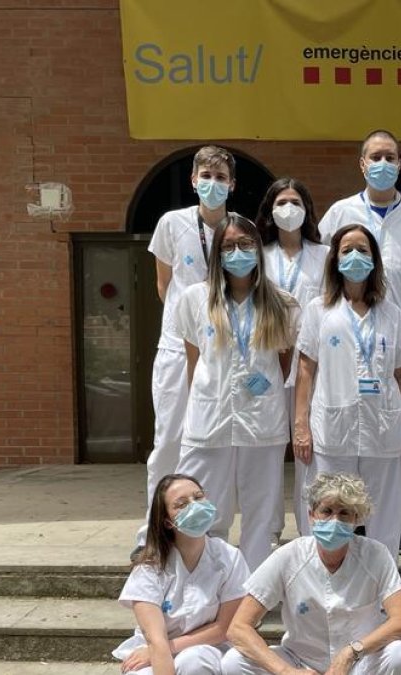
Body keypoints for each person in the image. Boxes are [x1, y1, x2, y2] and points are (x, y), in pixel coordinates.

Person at [319, 129, 401, 556]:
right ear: (362, 164)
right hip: (345, 333)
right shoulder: (339, 212)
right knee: (347, 445)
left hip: (399, 336)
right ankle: (343, 525)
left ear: (400, 163)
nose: (384, 163)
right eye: (375, 156)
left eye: (391, 156)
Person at [172, 214, 297, 571]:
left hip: (262, 420)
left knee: (261, 509)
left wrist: (258, 382)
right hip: (209, 417)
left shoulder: (282, 303)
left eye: (245, 244)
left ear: (258, 249)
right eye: (228, 246)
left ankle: (253, 590)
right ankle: (208, 581)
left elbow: (284, 363)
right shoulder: (195, 299)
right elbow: (193, 362)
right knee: (204, 506)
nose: (237, 252)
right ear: (216, 253)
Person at [292, 224, 401, 559]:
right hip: (332, 427)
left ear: (375, 260)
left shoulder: (391, 313)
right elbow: (306, 370)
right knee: (328, 505)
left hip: (383, 427)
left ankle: (383, 585)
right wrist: (301, 425)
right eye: (347, 249)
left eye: (363, 250)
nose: (355, 257)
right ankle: (321, 574)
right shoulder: (318, 310)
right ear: (334, 258)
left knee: (385, 513)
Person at [136, 146, 237, 559]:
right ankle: (153, 530)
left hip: (224, 351)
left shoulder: (239, 228)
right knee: (170, 441)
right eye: (206, 175)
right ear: (194, 180)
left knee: (217, 443)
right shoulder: (171, 223)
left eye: (221, 176)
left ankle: (210, 529)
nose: (213, 183)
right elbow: (165, 286)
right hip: (178, 348)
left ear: (232, 184)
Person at [223, 472, 401, 675]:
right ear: (311, 515)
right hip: (299, 661)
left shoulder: (376, 554)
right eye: (327, 511)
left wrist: (352, 652)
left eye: (344, 513)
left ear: (356, 519)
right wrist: (285, 671)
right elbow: (238, 628)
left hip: (361, 660)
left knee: (399, 655)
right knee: (234, 662)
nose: (335, 520)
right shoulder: (288, 556)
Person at [114, 473, 249, 675]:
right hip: (153, 650)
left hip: (209, 648)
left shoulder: (230, 557)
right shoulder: (150, 567)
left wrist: (173, 646)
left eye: (199, 497)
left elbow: (224, 627)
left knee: (194, 660)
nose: (194, 506)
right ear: (168, 522)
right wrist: (161, 651)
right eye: (181, 504)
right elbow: (155, 640)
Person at [256, 177, 331, 538]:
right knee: (270, 451)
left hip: (309, 365)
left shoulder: (325, 254)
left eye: (296, 202)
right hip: (267, 362)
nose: (289, 209)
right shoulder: (257, 253)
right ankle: (269, 528)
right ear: (270, 210)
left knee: (307, 448)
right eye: (281, 202)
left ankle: (310, 529)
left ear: (308, 210)